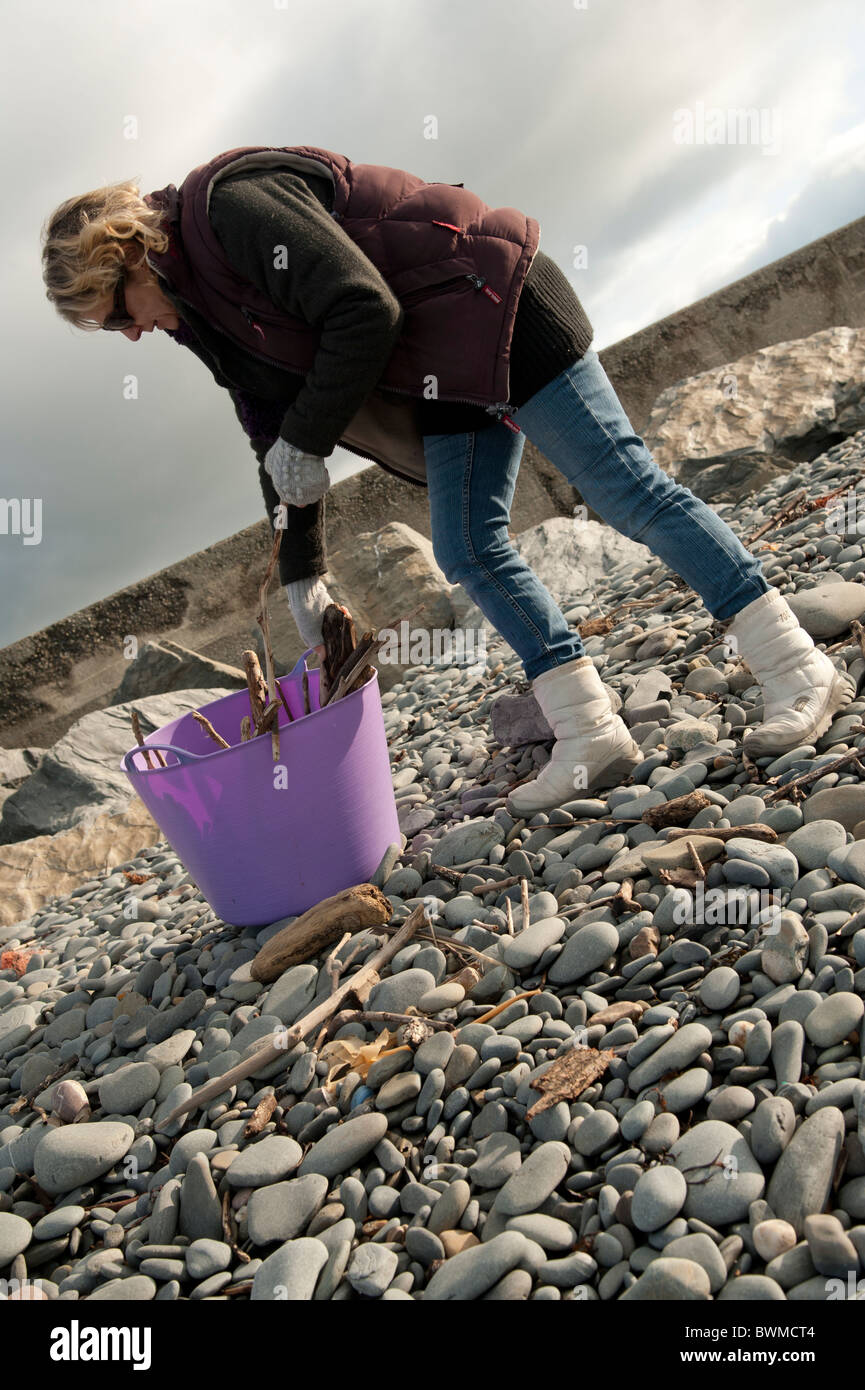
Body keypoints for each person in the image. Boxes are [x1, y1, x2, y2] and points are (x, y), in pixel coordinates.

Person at [41, 143, 855, 816]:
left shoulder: (231, 208)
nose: (130, 336)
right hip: (444, 367)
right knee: (467, 547)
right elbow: (269, 430)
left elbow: (363, 307)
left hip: (498, 306)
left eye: (115, 313)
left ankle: (796, 667)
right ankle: (588, 732)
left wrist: (308, 438)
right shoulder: (198, 311)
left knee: (623, 489)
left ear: (127, 251)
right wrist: (303, 572)